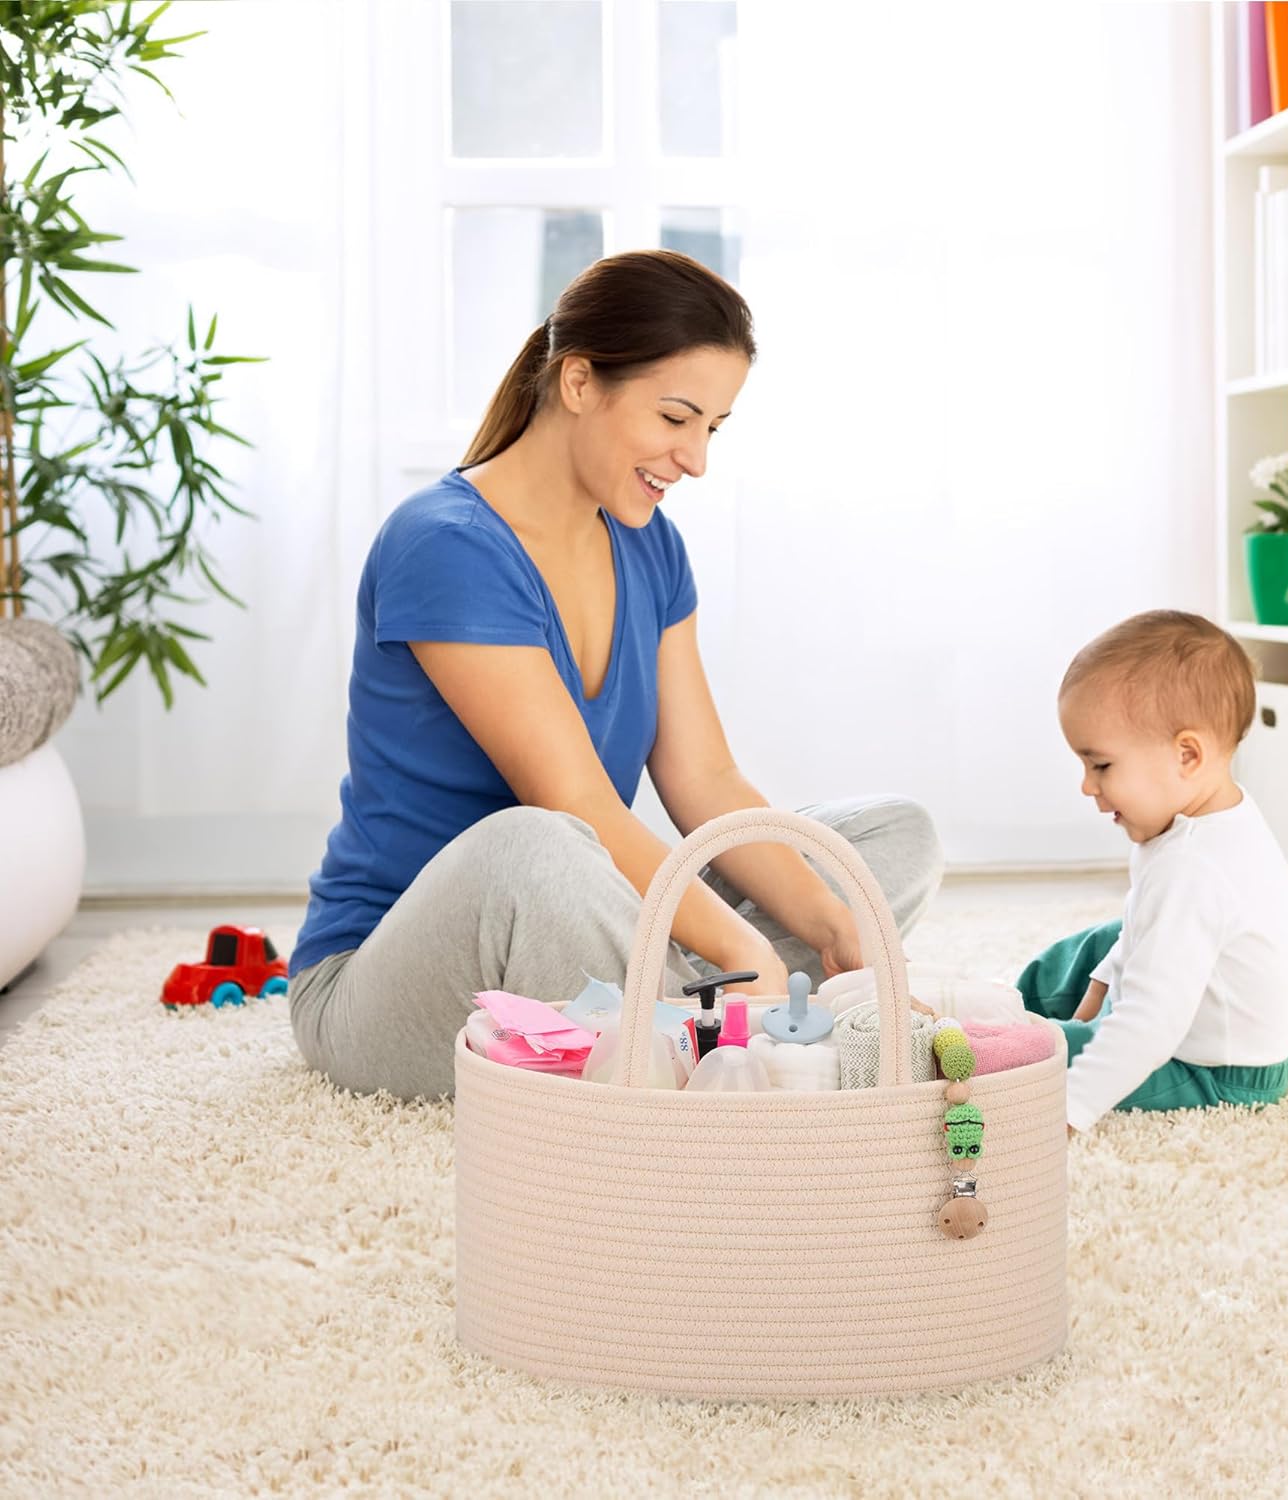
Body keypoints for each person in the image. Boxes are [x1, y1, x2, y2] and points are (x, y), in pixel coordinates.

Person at [288, 251, 942, 1100]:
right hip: (399, 980)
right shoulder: (445, 543)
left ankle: (677, 1018)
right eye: (676, 417)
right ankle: (709, 1019)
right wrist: (746, 952)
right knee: (539, 844)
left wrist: (838, 925)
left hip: (584, 922)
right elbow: (577, 804)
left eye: (713, 426)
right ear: (579, 382)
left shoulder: (649, 542)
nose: (696, 458)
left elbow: (705, 779)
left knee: (887, 839)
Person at [1017, 610, 1288, 1134]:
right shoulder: (1205, 817)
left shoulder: (1192, 867)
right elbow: (1137, 927)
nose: (1087, 785)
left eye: (1101, 765)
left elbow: (1151, 1028)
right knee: (1097, 944)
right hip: (1241, 1026)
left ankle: (1004, 1040)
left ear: (1187, 755)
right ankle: (1017, 1003)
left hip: (1213, 1068)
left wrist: (1070, 1108)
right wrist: (1096, 994)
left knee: (1036, 1063)